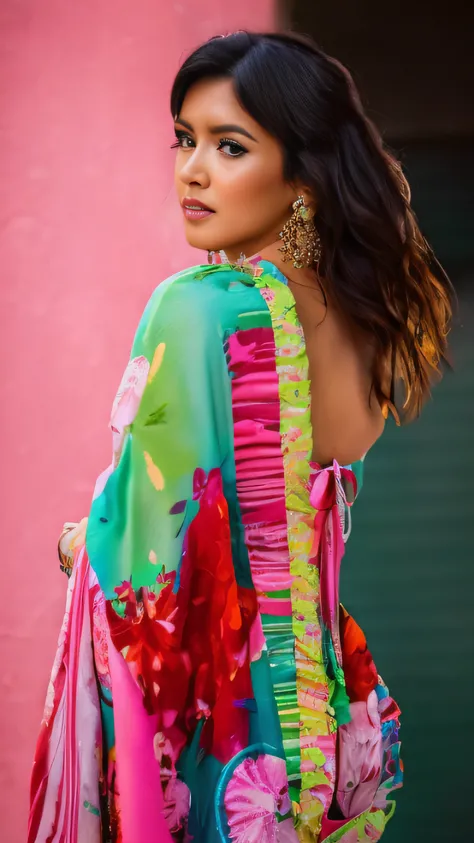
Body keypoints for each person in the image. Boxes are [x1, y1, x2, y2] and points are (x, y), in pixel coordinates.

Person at [28, 31, 453, 843]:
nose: (192, 169)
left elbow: (149, 566)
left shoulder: (204, 307)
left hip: (229, 740)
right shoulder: (364, 325)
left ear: (303, 175)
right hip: (326, 728)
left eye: (230, 146)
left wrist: (80, 539)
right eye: (186, 139)